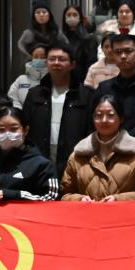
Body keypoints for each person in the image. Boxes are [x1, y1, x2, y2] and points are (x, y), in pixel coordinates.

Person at [61, 95, 135, 201]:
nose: (104, 120)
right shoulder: (78, 155)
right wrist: (79, 199)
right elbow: (65, 194)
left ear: (121, 118)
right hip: (87, 212)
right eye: (98, 115)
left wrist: (120, 199)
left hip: (126, 212)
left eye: (110, 115)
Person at [23, 45, 92, 177]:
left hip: (75, 158)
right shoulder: (34, 94)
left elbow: (91, 130)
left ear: (72, 64)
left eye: (61, 59)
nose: (56, 63)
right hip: (39, 157)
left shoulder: (86, 95)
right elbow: (25, 128)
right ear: (46, 63)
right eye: (52, 59)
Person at [0, 107, 58, 202]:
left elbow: (51, 198)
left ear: (25, 130)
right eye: (1, 129)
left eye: (14, 129)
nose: (7, 134)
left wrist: (15, 195)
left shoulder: (42, 165)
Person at [60, 4, 96, 86]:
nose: (71, 17)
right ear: (64, 18)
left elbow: (91, 64)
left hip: (82, 82)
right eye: (68, 15)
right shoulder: (60, 38)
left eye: (75, 15)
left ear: (80, 18)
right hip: (63, 80)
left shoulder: (89, 39)